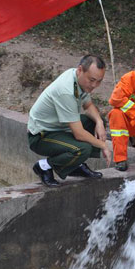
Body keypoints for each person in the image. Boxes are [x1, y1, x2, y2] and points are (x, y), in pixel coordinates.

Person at [27, 55, 112, 187]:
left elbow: (88, 106)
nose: (94, 85)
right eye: (92, 80)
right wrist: (103, 145)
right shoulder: (66, 90)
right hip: (42, 135)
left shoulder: (78, 79)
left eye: (99, 81)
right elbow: (78, 133)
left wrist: (100, 123)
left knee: (94, 122)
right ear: (80, 70)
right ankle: (44, 166)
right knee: (82, 149)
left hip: (60, 127)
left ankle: (75, 165)